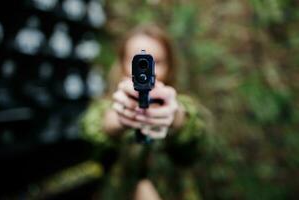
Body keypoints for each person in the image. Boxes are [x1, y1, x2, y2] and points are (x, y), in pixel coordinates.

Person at [80, 24, 213, 200]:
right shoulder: (107, 105)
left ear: (170, 65)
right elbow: (92, 129)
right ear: (122, 63)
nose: (149, 70)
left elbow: (199, 135)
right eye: (138, 60)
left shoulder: (179, 104)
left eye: (156, 61)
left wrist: (176, 118)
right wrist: (117, 120)